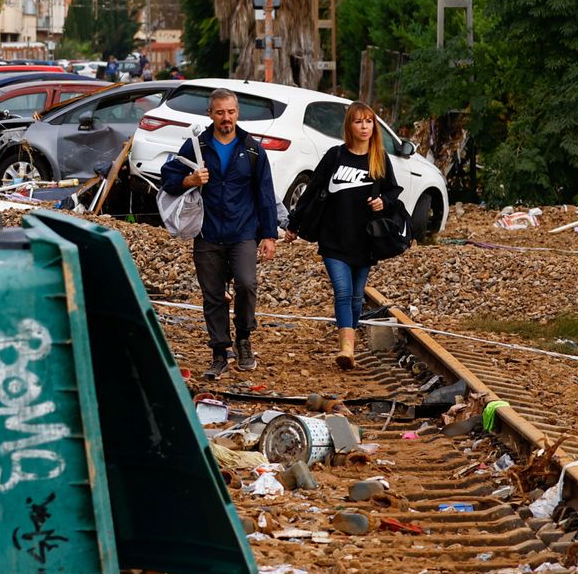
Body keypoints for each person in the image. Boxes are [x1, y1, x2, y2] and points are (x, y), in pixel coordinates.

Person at [159, 88, 278, 378]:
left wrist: (269, 235)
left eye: (231, 112)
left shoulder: (252, 150)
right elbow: (168, 176)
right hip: (208, 232)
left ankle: (244, 338)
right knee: (212, 295)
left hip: (243, 232)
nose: (226, 118)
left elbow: (265, 194)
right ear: (210, 114)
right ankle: (219, 353)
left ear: (238, 113)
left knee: (247, 284)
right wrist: (190, 179)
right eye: (220, 112)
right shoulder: (197, 147)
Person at [284, 102, 402, 370]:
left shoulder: (380, 159)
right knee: (343, 290)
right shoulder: (335, 156)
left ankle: (349, 337)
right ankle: (346, 349)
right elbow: (312, 191)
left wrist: (383, 201)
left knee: (356, 296)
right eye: (359, 122)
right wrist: (294, 223)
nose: (364, 127)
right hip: (334, 238)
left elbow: (394, 193)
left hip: (365, 240)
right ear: (349, 126)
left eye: (369, 122)